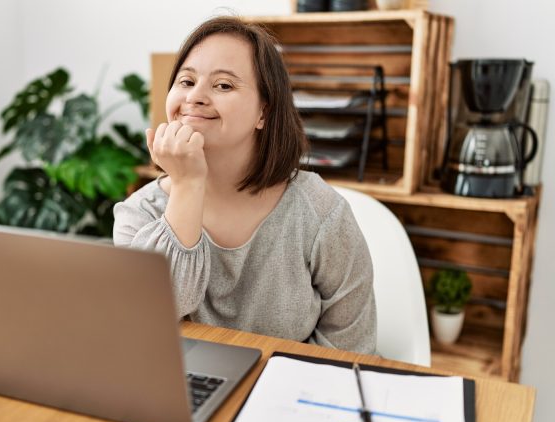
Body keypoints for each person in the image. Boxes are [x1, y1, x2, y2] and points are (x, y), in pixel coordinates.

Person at [113, 16, 376, 354]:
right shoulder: (141, 214)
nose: (196, 97)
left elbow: (350, 345)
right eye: (186, 81)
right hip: (183, 392)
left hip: (289, 392)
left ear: (263, 112)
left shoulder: (320, 212)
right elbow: (148, 318)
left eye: (223, 85)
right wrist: (188, 185)